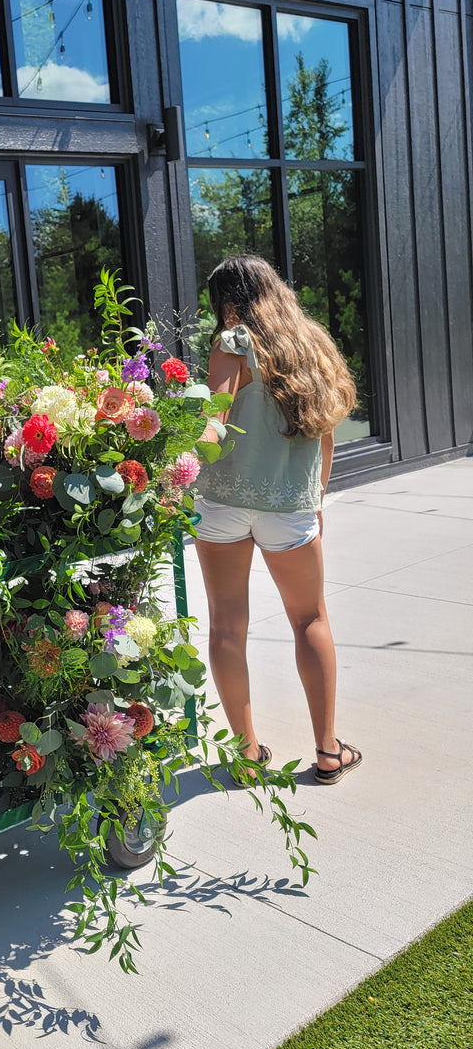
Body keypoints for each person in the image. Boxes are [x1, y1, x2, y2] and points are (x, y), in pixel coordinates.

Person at [194, 253, 362, 786]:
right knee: (310, 619)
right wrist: (316, 500)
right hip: (290, 505)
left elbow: (213, 423)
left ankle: (246, 756)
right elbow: (327, 435)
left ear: (227, 302)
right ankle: (329, 752)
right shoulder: (312, 345)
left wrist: (173, 449)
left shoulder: (232, 343)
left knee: (226, 624)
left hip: (222, 502)